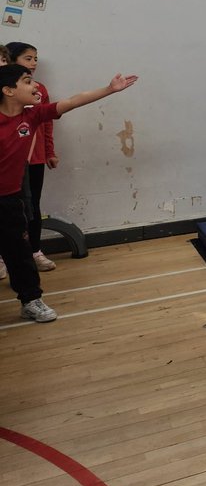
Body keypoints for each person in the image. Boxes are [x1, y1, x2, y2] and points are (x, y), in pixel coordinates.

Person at [1, 65, 138, 322]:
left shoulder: (31, 116)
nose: (36, 86)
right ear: (8, 90)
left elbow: (73, 101)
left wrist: (110, 89)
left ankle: (31, 300)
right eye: (27, 81)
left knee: (20, 254)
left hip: (10, 200)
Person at [6, 43, 58, 273]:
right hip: (10, 162)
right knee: (8, 210)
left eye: (35, 59)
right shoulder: (6, 90)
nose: (34, 63)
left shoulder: (39, 90)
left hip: (35, 160)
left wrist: (49, 151)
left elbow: (46, 122)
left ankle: (35, 250)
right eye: (28, 59)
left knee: (31, 206)